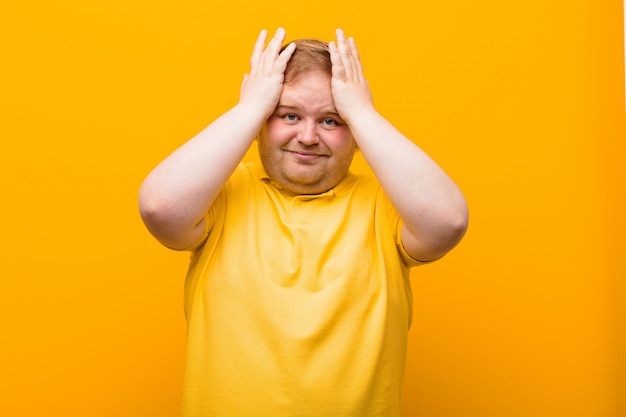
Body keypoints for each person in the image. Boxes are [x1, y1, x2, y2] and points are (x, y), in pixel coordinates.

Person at [139, 27, 468, 417]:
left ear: (357, 135)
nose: (308, 136)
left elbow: (448, 221)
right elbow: (160, 208)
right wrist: (249, 108)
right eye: (289, 115)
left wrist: (361, 111)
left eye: (331, 121)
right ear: (261, 121)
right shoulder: (221, 197)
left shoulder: (386, 205)